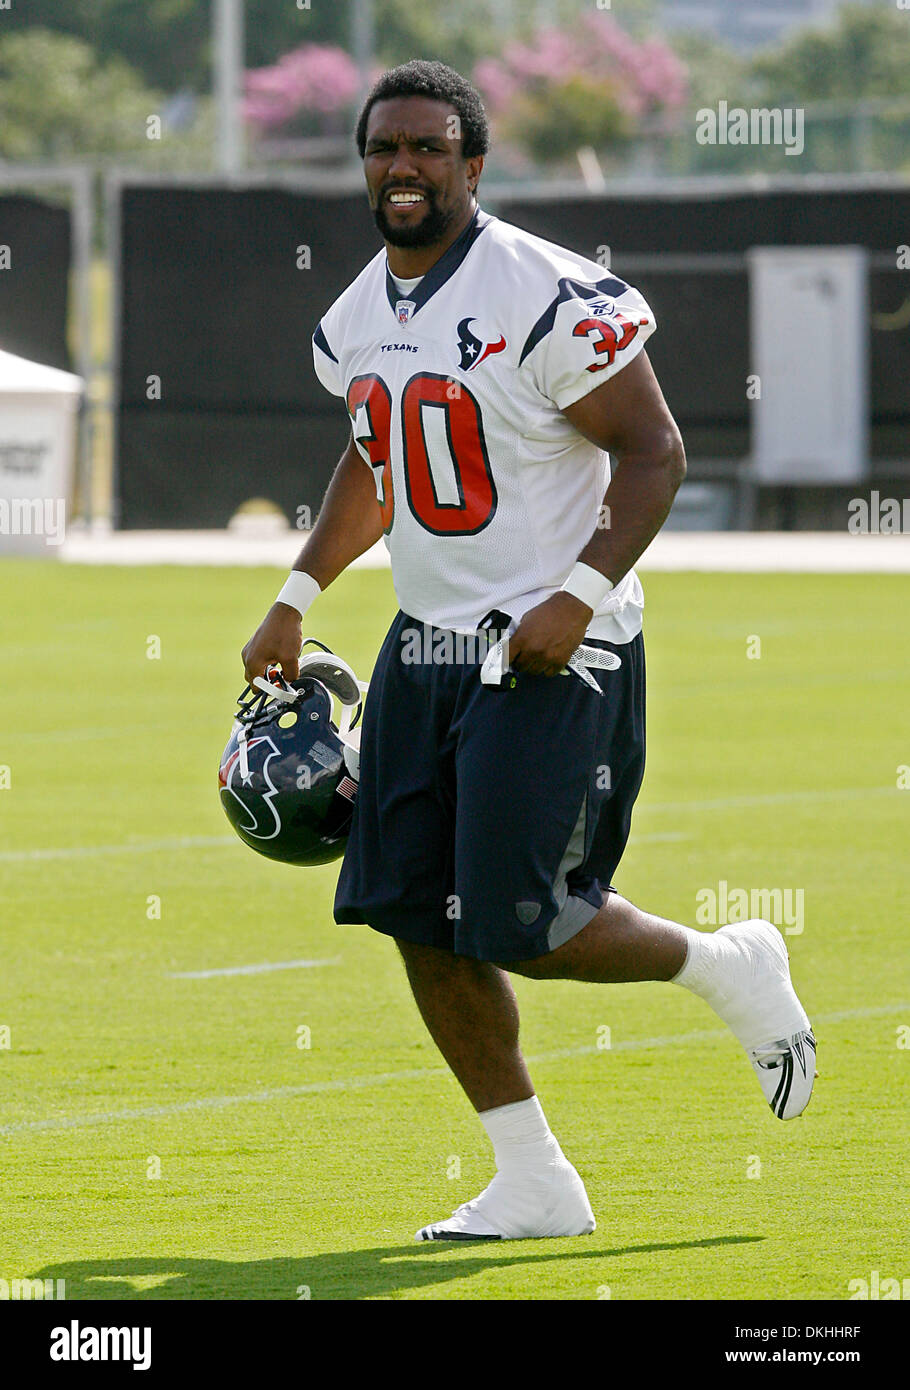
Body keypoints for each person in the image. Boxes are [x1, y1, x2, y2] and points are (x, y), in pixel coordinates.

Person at [242, 60, 815, 1242]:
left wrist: (578, 591)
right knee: (411, 912)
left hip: (556, 652)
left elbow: (652, 450)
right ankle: (534, 1180)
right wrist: (298, 593)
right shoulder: (351, 316)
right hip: (426, 647)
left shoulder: (544, 290)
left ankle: (728, 965)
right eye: (382, 149)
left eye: (426, 148)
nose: (402, 167)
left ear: (472, 164)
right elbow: (377, 455)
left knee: (525, 922)